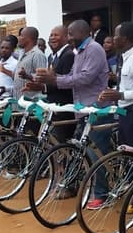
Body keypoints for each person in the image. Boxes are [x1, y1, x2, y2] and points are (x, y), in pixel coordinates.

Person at [91, 22, 133, 210]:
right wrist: (113, 92)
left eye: (116, 35)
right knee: (128, 156)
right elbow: (128, 86)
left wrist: (122, 95)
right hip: (125, 112)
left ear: (126, 39)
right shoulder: (124, 58)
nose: (113, 38)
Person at [35, 19, 110, 156]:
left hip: (96, 110)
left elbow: (85, 78)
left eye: (70, 34)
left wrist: (55, 79)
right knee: (85, 155)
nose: (68, 38)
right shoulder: (79, 52)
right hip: (83, 110)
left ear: (82, 32)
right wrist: (52, 79)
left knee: (96, 157)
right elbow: (71, 75)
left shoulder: (93, 48)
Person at [11, 27, 46, 99]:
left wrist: (27, 76)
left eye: (21, 35)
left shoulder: (37, 55)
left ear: (29, 38)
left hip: (30, 103)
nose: (19, 38)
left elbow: (42, 81)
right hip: (18, 101)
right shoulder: (22, 53)